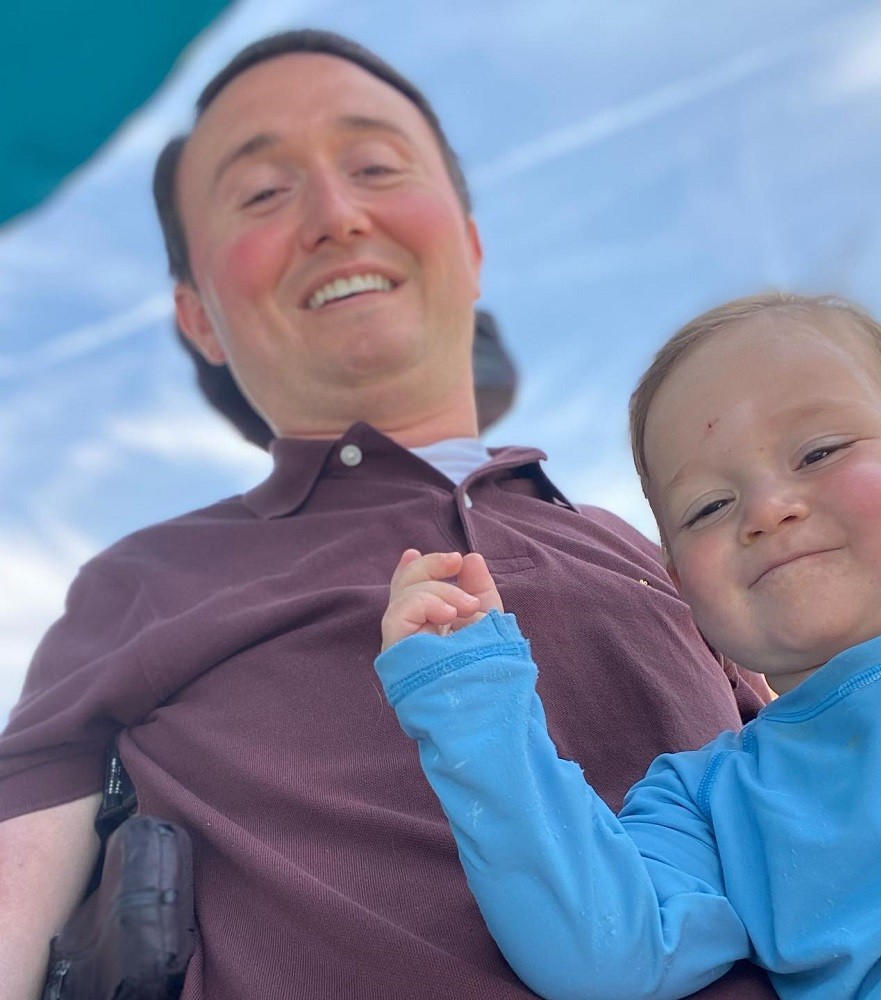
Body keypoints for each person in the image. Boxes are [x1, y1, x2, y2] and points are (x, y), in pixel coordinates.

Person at [0, 29, 775, 1000]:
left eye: (374, 165)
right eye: (261, 194)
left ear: (473, 245)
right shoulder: (140, 583)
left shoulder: (659, 553)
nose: (335, 214)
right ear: (198, 316)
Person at [377, 292, 881, 1000]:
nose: (767, 510)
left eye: (819, 452)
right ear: (684, 597)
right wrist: (473, 711)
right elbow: (606, 952)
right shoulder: (707, 803)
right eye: (708, 506)